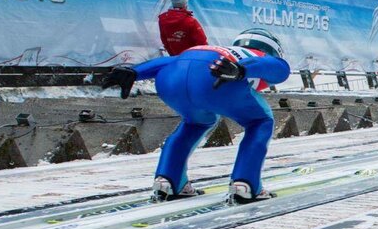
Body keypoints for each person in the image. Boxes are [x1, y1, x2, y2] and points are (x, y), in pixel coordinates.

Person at [100, 29, 291, 203]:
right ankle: (246, 183)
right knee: (260, 122)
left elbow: (171, 61)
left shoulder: (220, 49)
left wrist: (134, 72)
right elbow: (275, 67)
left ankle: (169, 179)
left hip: (171, 80)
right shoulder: (254, 55)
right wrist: (241, 70)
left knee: (195, 123)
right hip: (216, 81)